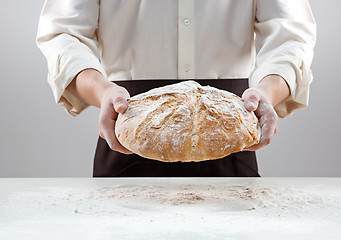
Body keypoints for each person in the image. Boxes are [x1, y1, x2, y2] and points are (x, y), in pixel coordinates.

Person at [36, 0, 316, 177]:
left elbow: (290, 35)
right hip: (130, 121)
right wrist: (102, 91)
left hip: (229, 121)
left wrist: (268, 90)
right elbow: (64, 33)